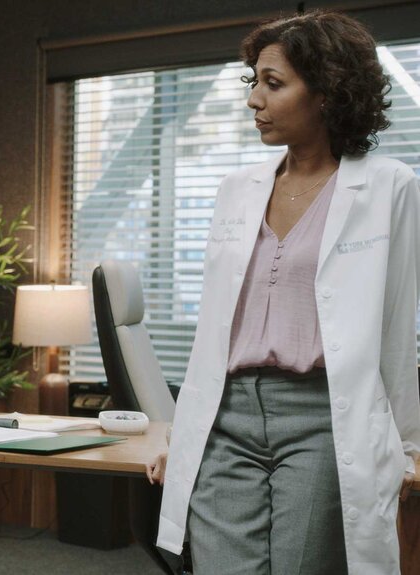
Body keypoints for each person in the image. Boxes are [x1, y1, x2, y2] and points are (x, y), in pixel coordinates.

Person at [150, 10, 420, 575]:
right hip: (227, 418)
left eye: (273, 84)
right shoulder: (235, 190)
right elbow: (215, 329)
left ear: (326, 93)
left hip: (323, 421)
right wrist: (186, 434)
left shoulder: (389, 187)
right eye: (254, 82)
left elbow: (396, 325)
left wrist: (410, 445)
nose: (255, 100)